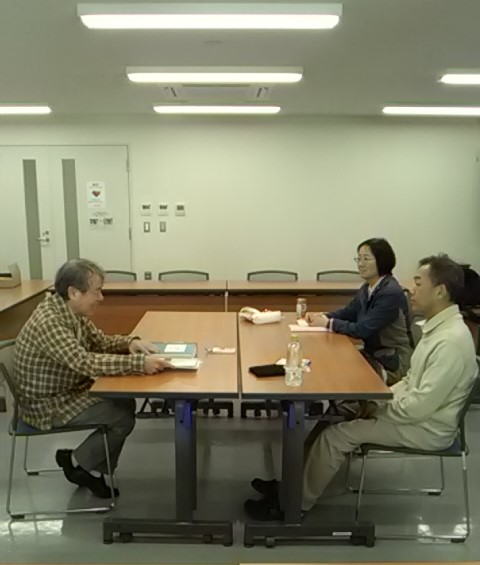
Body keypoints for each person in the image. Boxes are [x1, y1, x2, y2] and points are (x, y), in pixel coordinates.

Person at [245, 254, 478, 520]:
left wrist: (378, 407)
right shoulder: (438, 329)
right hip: (412, 414)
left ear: (440, 291)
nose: (412, 290)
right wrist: (377, 400)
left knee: (336, 436)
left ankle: (294, 507)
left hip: (426, 427)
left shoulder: (450, 341)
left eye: (418, 283)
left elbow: (419, 407)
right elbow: (410, 382)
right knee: (336, 415)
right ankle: (290, 486)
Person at [14, 259, 170, 499]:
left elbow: (100, 342)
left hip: (67, 390)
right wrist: (139, 364)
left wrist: (130, 343)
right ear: (74, 292)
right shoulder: (50, 322)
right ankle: (78, 464)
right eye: (96, 291)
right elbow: (85, 361)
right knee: (122, 416)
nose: (101, 297)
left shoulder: (68, 311)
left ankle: (85, 466)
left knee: (124, 403)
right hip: (47, 406)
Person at [308, 237, 412, 385]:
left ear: (382, 260)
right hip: (373, 354)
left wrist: (328, 323)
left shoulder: (390, 292)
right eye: (359, 258)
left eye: (366, 259)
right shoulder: (367, 287)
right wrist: (323, 316)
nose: (360, 264)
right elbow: (349, 312)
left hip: (391, 362)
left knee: (338, 374)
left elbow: (362, 329)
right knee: (329, 363)